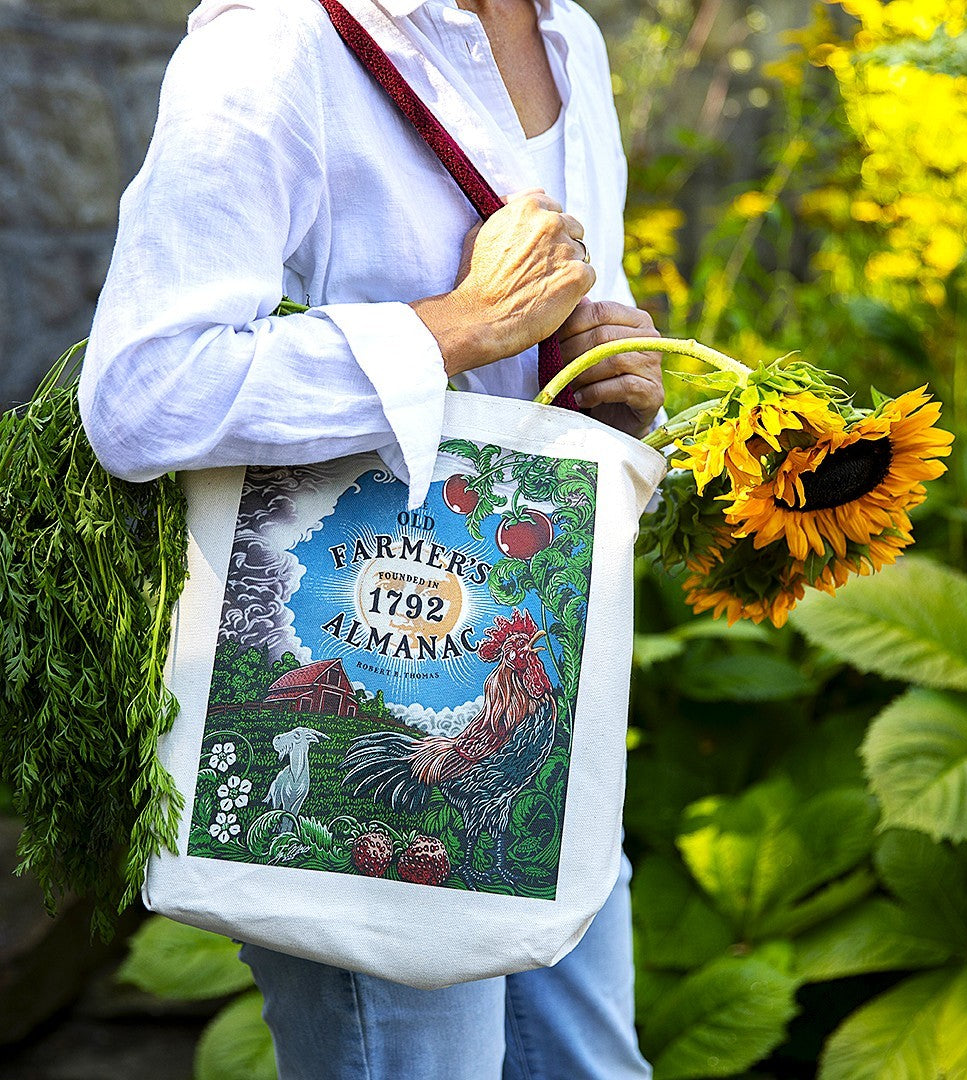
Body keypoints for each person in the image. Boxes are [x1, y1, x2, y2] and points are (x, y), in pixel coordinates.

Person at [81, 0, 663, 1075]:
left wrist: (605, 386)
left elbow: (544, 354)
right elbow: (144, 393)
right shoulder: (277, 43)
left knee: (592, 1066)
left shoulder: (567, 37)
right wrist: (454, 328)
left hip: (530, 701)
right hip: (365, 669)